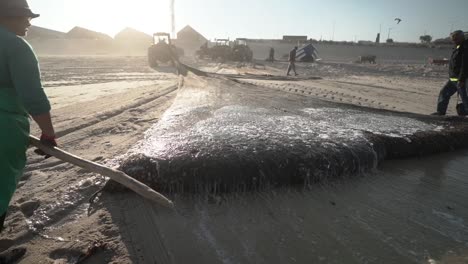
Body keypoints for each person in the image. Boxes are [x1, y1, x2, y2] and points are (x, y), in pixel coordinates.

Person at [0, 0, 57, 261]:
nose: (28, 22)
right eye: (23, 17)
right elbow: (32, 96)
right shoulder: (15, 46)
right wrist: (48, 134)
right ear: (6, 18)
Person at [432, 30, 468, 116]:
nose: (453, 41)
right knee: (444, 93)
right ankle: (440, 112)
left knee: (465, 99)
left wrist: (462, 79)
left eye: (455, 38)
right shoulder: (458, 47)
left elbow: (465, 65)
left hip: (461, 79)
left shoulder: (465, 48)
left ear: (461, 37)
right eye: (453, 39)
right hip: (453, 79)